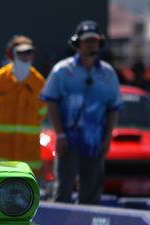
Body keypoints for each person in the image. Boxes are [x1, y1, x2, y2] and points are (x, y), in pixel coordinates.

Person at [40, 20, 123, 205]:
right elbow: (51, 102)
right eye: (87, 41)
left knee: (92, 192)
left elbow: (113, 108)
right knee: (63, 190)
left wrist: (107, 138)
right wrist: (60, 134)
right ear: (77, 43)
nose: (91, 45)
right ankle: (60, 223)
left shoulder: (108, 73)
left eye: (94, 41)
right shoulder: (63, 70)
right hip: (69, 140)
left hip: (95, 141)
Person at [0, 35, 47, 175]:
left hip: (28, 155)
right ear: (11, 54)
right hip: (1, 153)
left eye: (28, 52)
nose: (25, 56)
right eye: (21, 52)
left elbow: (42, 113)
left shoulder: (39, 82)